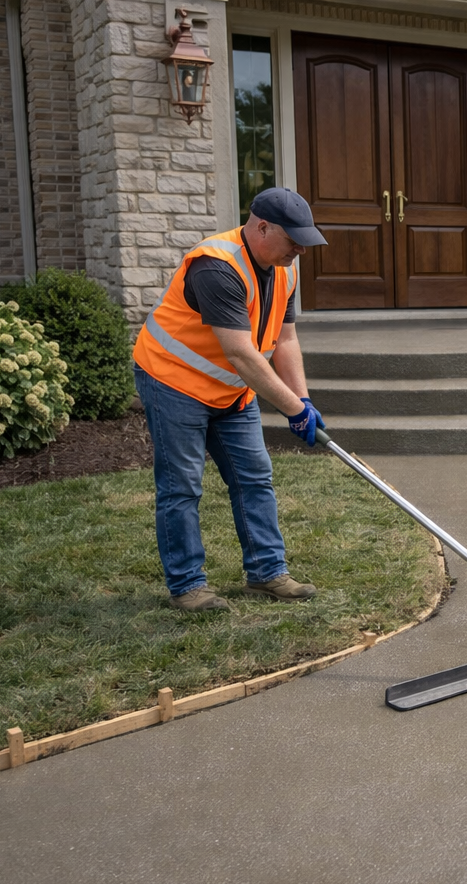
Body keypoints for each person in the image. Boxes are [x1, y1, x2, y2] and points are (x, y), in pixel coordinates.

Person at [132, 187, 330, 612]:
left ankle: (267, 573)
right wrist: (292, 411)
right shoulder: (215, 267)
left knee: (254, 477)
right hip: (173, 381)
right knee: (182, 485)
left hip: (231, 390)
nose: (300, 250)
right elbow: (241, 352)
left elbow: (286, 339)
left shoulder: (284, 269)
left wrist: (303, 398)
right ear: (261, 227)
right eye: (293, 240)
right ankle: (187, 587)